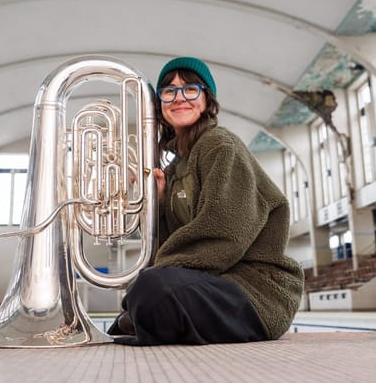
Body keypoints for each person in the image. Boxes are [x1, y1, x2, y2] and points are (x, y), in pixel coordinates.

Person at [107, 56, 304, 346]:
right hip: (218, 283)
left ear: (206, 99)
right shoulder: (178, 166)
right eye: (169, 91)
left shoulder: (220, 146)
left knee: (152, 287)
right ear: (160, 104)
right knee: (147, 290)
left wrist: (156, 276)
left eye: (190, 89)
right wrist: (160, 206)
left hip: (256, 292)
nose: (179, 98)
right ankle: (145, 317)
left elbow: (224, 234)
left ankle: (145, 317)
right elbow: (172, 249)